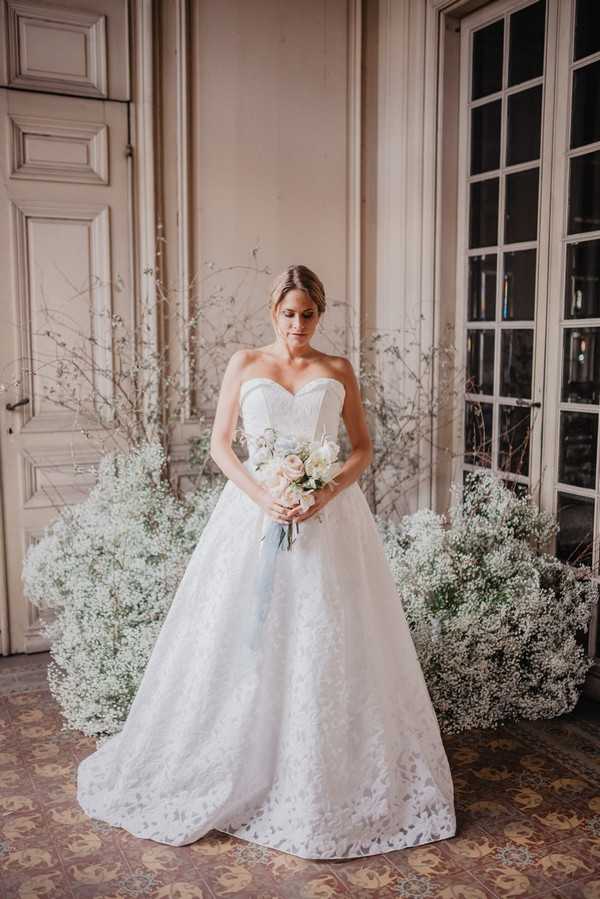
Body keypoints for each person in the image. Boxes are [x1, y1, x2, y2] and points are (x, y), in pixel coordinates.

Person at [77, 264, 456, 859]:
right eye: (288, 313)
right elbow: (221, 446)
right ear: (272, 312)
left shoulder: (338, 371)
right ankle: (240, 755)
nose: (297, 324)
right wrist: (266, 497)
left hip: (327, 519)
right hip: (254, 514)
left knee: (325, 636)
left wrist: (323, 492)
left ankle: (319, 767)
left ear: (320, 315)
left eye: (308, 314)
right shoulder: (244, 364)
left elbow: (361, 448)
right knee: (246, 635)